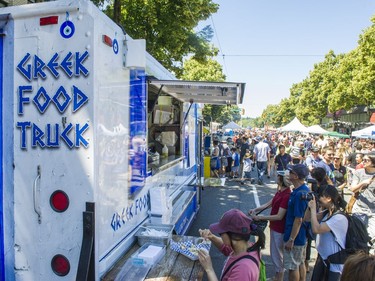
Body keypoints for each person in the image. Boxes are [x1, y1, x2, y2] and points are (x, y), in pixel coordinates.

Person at [198, 209, 265, 281]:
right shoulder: (247, 247)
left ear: (231, 236)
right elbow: (227, 249)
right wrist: (212, 237)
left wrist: (209, 269)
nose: (220, 235)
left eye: (221, 233)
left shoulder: (243, 270)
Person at [249, 171, 292, 281]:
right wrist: (255, 209)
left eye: (279, 176)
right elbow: (270, 203)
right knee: (275, 254)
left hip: (279, 228)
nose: (277, 177)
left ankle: (279, 278)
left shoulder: (287, 195)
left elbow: (279, 216)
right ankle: (276, 277)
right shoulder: (280, 191)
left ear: (282, 180)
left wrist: (260, 217)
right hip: (274, 227)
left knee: (277, 255)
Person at [307, 185, 348, 281]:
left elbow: (316, 229)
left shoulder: (339, 218)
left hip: (335, 265)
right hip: (323, 259)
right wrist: (309, 207)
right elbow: (307, 218)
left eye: (320, 196)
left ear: (329, 198)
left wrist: (313, 209)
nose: (319, 199)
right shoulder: (327, 212)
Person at [283, 164, 310, 281]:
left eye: (291, 172)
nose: (289, 174)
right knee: (300, 263)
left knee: (292, 266)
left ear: (296, 176)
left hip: (295, 236)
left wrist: (291, 239)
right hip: (302, 235)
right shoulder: (303, 190)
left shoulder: (299, 194)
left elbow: (298, 219)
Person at [349, 152, 375, 253]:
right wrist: (363, 183)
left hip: (373, 211)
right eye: (363, 159)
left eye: (366, 160)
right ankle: (358, 258)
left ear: (373, 163)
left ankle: (368, 260)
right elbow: (352, 189)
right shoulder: (359, 172)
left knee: (371, 236)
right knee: (357, 235)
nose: (363, 162)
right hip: (360, 208)